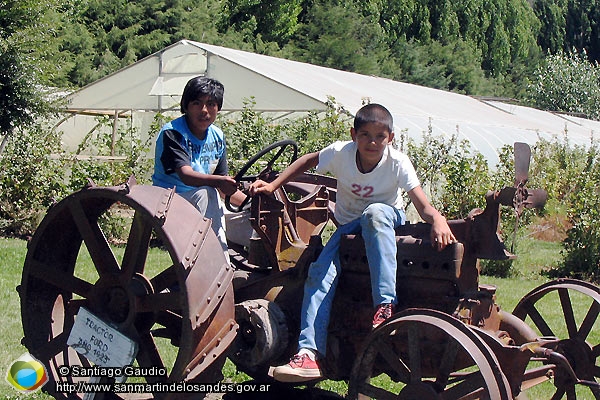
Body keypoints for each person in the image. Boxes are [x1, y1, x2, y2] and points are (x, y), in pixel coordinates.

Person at [249, 103, 456, 382]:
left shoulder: (397, 162)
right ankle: (309, 353)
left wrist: (439, 220)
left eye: (380, 136)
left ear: (390, 138)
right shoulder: (341, 153)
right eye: (365, 135)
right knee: (318, 274)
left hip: (385, 220)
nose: (372, 142)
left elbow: (422, 204)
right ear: (353, 135)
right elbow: (309, 160)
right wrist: (274, 186)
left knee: (374, 213)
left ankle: (385, 306)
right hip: (348, 230)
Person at [152, 76, 245, 254]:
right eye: (197, 103)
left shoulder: (217, 136)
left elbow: (223, 189)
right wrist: (219, 182)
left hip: (205, 204)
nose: (204, 110)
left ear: (218, 108)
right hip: (171, 203)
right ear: (186, 106)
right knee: (207, 192)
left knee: (259, 212)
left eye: (211, 104)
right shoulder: (173, 133)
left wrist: (253, 202)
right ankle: (214, 260)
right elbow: (186, 175)